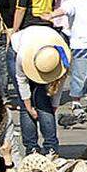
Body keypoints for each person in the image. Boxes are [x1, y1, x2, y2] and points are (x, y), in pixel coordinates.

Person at [12, 25, 70, 157]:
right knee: (25, 105)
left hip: (45, 49)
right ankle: (31, 148)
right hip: (18, 49)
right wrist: (29, 107)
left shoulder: (59, 57)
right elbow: (22, 82)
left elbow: (58, 85)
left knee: (44, 102)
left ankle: (51, 147)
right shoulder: (22, 56)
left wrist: (54, 105)